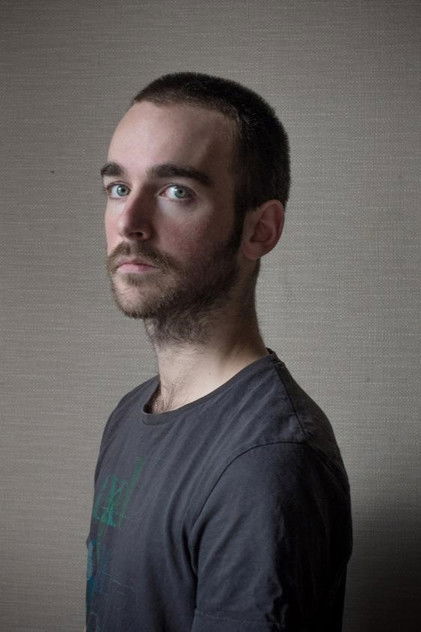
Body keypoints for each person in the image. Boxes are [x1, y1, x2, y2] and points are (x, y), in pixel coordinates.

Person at [85, 72, 352, 632]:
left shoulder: (268, 463)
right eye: (119, 188)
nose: (129, 223)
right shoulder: (130, 413)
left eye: (176, 191)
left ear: (261, 230)